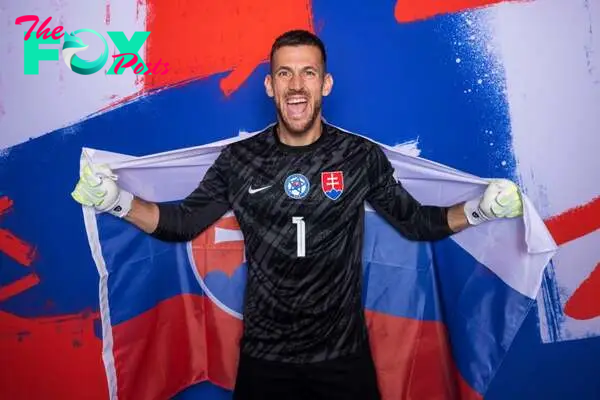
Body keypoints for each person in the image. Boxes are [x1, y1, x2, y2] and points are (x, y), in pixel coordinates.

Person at [71, 30, 523, 400]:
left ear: (325, 84)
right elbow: (181, 223)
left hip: (343, 361)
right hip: (266, 363)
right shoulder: (239, 160)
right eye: (284, 73)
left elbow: (416, 222)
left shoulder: (358, 157)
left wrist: (481, 209)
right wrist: (116, 201)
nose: (296, 85)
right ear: (270, 85)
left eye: (308, 73)